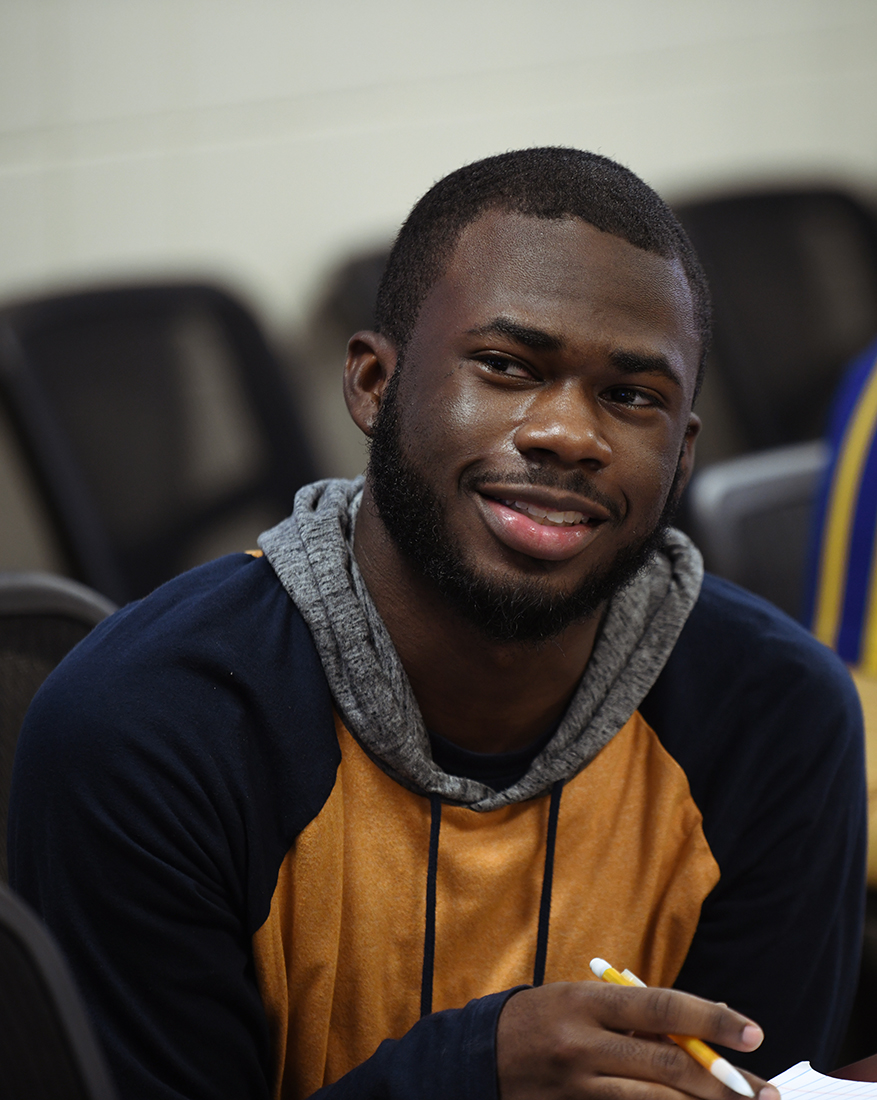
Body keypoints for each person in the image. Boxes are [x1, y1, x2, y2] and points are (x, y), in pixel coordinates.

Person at [8, 148, 866, 1100]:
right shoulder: (146, 729)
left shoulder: (775, 717)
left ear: (682, 455)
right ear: (373, 384)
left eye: (631, 397)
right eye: (505, 366)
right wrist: (471, 1074)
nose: (568, 435)